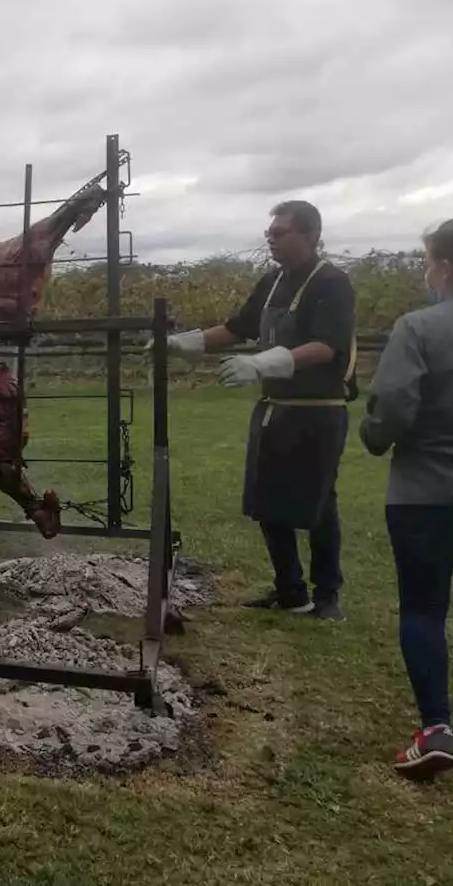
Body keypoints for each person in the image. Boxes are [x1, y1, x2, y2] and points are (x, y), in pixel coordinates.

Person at [160, 200, 357, 620]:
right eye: (270, 231)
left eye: (281, 231)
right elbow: (237, 328)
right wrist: (180, 342)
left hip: (318, 410)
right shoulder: (271, 281)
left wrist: (262, 363)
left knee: (317, 502)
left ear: (310, 235)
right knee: (268, 501)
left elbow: (327, 346)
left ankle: (327, 597)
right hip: (274, 408)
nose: (271, 237)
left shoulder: (332, 284)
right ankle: (290, 592)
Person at [359, 217, 453, 781]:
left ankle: (436, 730)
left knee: (425, 609)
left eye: (429, 261)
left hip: (423, 493)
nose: (427, 271)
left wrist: (374, 436)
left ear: (448, 267)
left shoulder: (418, 328)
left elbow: (392, 410)